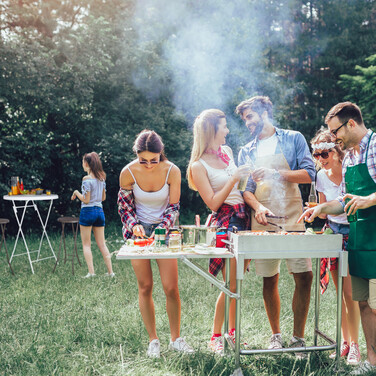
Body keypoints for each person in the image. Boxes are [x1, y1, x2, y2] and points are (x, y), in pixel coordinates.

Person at [298, 102, 376, 375]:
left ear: (351, 123)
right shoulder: (352, 157)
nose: (334, 138)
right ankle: (372, 362)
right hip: (359, 241)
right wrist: (321, 208)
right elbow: (343, 202)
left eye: (335, 131)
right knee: (365, 302)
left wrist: (369, 200)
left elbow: (365, 199)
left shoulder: (375, 146)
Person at [236, 96, 315, 357]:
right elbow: (246, 190)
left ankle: (299, 339)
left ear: (265, 112)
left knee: (304, 276)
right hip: (264, 219)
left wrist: (275, 174)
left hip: (293, 215)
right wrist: (258, 207)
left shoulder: (293, 138)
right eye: (244, 118)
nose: (247, 123)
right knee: (269, 279)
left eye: (250, 117)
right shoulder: (246, 150)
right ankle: (275, 336)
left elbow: (308, 173)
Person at [117, 130, 193, 358]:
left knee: (171, 287)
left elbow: (174, 207)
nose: (149, 165)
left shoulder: (172, 171)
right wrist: (134, 226)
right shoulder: (127, 172)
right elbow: (124, 207)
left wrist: (163, 227)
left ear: (161, 154)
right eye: (144, 160)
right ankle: (153, 341)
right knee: (145, 286)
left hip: (165, 231)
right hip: (138, 232)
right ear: (136, 155)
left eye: (154, 159)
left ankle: (176, 339)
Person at [187, 109, 251, 354]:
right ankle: (216, 336)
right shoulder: (197, 165)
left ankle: (232, 333)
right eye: (223, 127)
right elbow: (213, 203)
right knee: (230, 284)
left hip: (243, 217)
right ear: (211, 130)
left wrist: (245, 178)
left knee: (237, 283)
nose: (227, 131)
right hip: (225, 221)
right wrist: (234, 178)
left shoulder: (227, 152)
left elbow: (238, 188)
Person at [311, 128, 361, 365]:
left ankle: (356, 346)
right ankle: (344, 342)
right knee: (341, 293)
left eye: (325, 152)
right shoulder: (320, 176)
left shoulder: (351, 170)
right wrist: (314, 212)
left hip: (354, 230)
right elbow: (324, 211)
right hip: (333, 232)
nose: (321, 158)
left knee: (351, 293)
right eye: (317, 154)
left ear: (337, 150)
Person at [71, 152, 114, 278]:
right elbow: (103, 198)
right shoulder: (101, 179)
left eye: (83, 162)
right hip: (99, 212)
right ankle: (111, 272)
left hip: (88, 212)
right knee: (102, 244)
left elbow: (86, 200)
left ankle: (91, 273)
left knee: (86, 244)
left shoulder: (86, 179)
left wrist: (76, 192)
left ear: (87, 163)